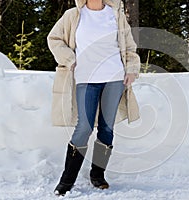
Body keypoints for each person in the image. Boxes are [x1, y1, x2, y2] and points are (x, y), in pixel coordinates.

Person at [47, 0, 141, 196]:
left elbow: (129, 47)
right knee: (84, 127)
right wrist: (69, 59)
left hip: (114, 77)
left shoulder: (116, 14)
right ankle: (67, 180)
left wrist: (131, 69)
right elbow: (54, 38)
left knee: (107, 127)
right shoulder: (73, 15)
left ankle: (98, 175)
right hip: (86, 78)